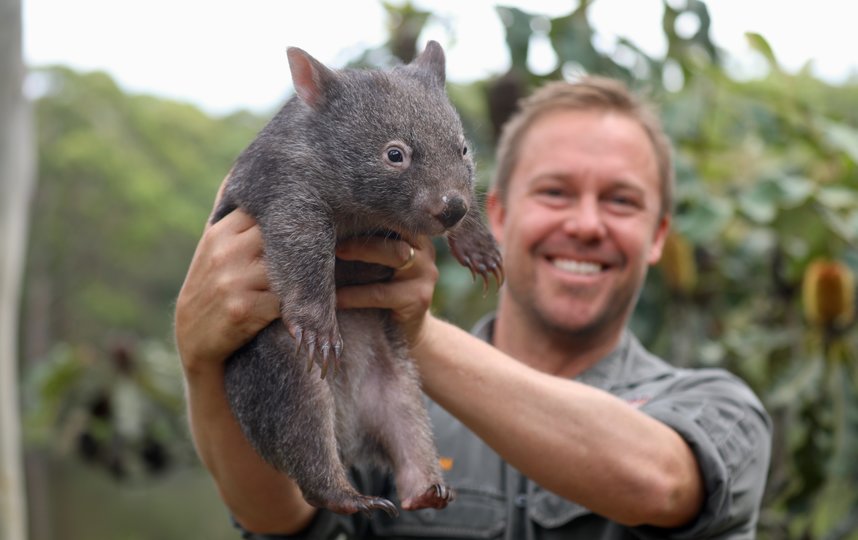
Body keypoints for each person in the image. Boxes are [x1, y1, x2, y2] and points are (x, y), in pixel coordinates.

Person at [174, 76, 772, 539]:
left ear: (660, 235)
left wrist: (418, 336)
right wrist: (204, 358)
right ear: (501, 213)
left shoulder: (721, 406)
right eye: (555, 192)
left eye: (620, 201)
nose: (585, 225)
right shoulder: (369, 379)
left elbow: (660, 484)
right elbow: (282, 520)